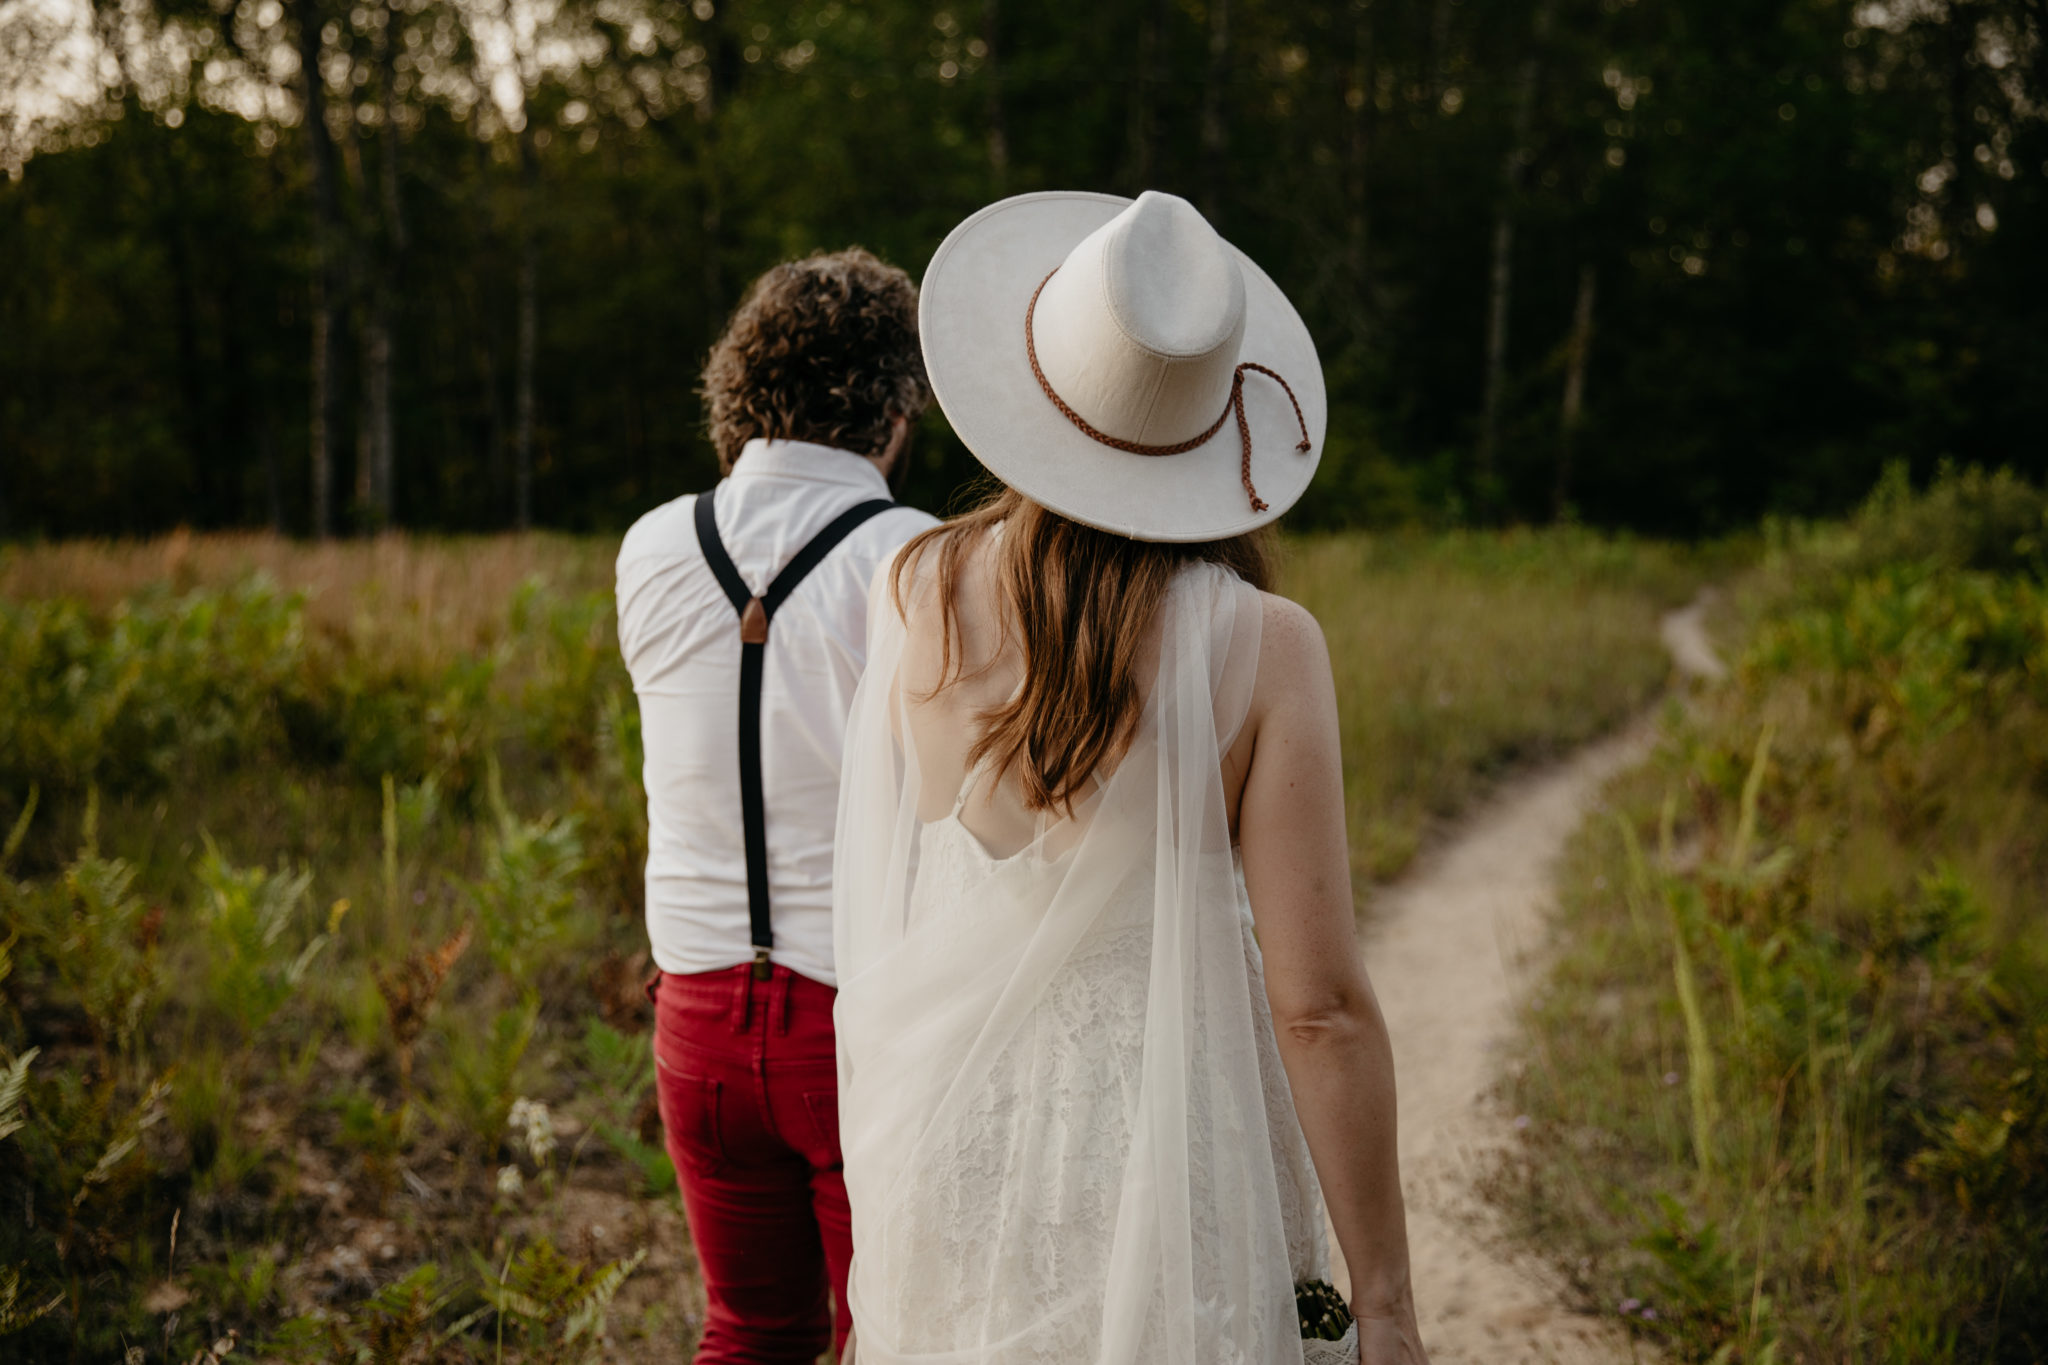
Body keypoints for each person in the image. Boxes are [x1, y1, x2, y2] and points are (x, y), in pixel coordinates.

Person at [833, 192, 1429, 1365]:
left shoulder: (913, 588)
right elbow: (1317, 1009)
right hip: (1168, 1146)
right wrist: (1388, 1308)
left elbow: (891, 892)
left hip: (949, 1130)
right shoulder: (1261, 643)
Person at [616, 247, 939, 1365]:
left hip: (695, 1018)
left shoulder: (651, 546)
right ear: (894, 408)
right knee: (890, 1338)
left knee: (748, 1332)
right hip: (858, 1023)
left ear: (741, 386)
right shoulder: (916, 560)